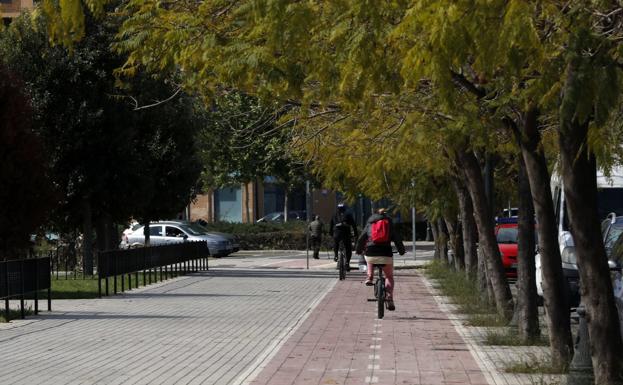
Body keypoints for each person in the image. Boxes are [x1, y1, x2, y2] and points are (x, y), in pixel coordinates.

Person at [355, 208, 405, 311]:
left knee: (368, 257)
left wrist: (358, 250)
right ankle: (390, 297)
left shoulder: (370, 223)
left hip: (371, 252)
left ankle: (370, 276)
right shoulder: (389, 224)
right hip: (386, 253)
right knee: (389, 276)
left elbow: (361, 238)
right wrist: (401, 251)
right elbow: (397, 239)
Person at [330, 203, 358, 270]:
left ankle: (336, 255)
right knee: (348, 248)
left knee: (336, 243)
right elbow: (353, 225)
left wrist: (331, 233)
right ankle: (347, 263)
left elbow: (331, 225)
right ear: (344, 208)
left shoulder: (334, 215)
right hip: (346, 234)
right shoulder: (348, 214)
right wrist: (356, 233)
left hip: (337, 233)